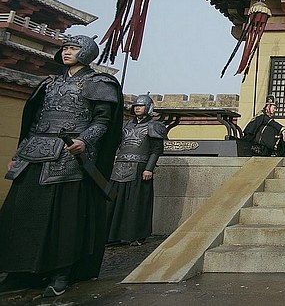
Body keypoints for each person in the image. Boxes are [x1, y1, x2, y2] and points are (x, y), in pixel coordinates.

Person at [0, 35, 123, 297]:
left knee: (64, 218)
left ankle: (61, 273)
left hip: (69, 155)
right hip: (34, 153)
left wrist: (83, 141)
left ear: (86, 52)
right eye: (65, 48)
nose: (67, 52)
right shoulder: (49, 83)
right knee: (21, 212)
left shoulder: (99, 83)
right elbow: (34, 122)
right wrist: (19, 153)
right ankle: (18, 271)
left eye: (73, 48)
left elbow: (102, 121)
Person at [106, 93, 167, 246]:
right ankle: (111, 236)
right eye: (135, 106)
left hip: (140, 168)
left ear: (148, 108)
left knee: (136, 203)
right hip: (119, 166)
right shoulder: (125, 125)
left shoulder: (155, 126)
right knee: (113, 202)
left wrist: (149, 169)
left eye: (140, 106)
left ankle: (136, 236)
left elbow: (156, 150)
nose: (137, 108)